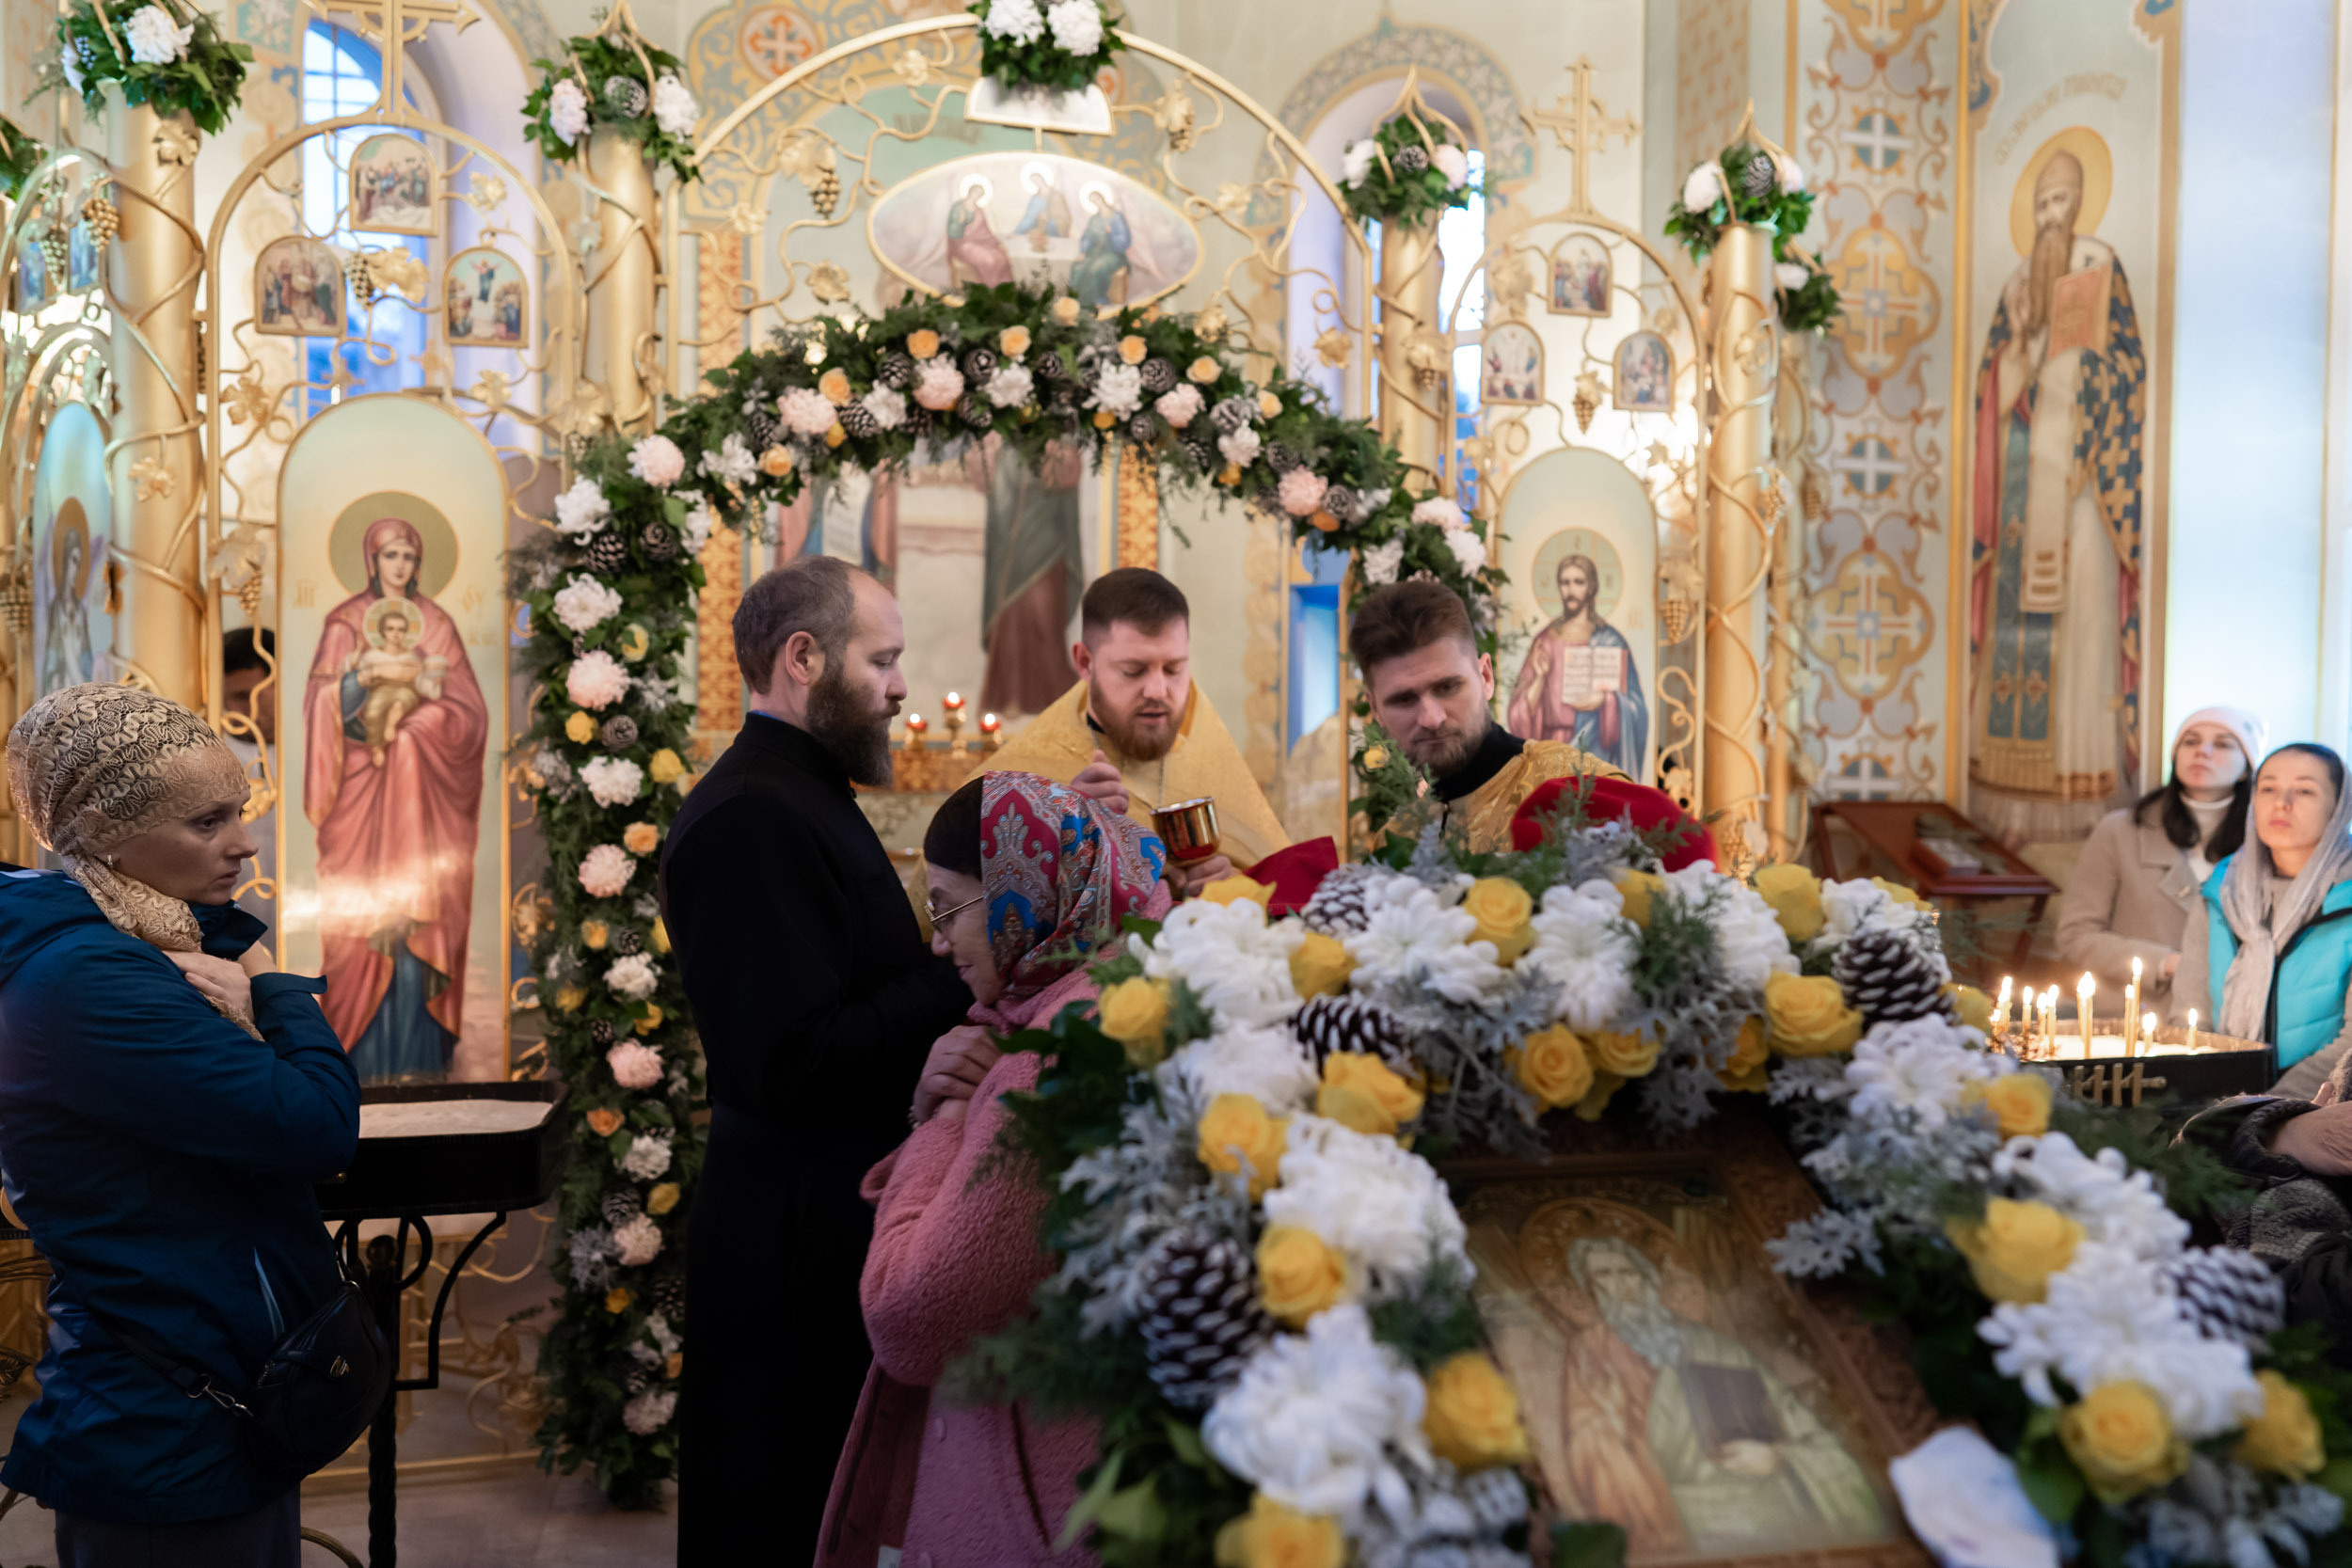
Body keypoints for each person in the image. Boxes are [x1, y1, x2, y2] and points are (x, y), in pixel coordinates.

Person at [660, 556, 975, 1566]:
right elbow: (792, 1060)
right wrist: (961, 967)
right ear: (803, 657)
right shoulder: (754, 812)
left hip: (818, 1214)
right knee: (778, 1512)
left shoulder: (798, 791)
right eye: (881, 658)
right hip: (789, 1241)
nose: (897, 685)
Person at [0, 684, 358, 1567]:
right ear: (109, 834)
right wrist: (273, 983)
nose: (244, 842)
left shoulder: (145, 941)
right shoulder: (93, 979)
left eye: (240, 811)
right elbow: (316, 1127)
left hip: (208, 1393)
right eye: (206, 822)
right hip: (167, 1425)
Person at [817, 771, 1169, 1568]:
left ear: (1023, 893)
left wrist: (940, 1118)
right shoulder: (1128, 981)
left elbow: (909, 1315)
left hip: (1040, 1491)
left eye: (949, 907)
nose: (939, 941)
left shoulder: (1046, 1057)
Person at [301, 515, 488, 1080]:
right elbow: (320, 706)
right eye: (390, 556)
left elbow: (469, 715)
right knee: (362, 933)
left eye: (409, 556)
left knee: (417, 929)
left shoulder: (437, 623)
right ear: (371, 561)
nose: (400, 567)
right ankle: (350, 1068)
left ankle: (423, 1065)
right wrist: (361, 683)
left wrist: (416, 729)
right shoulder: (344, 624)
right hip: (358, 799)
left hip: (425, 809)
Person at [985, 567, 1290, 884]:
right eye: (1133, 670)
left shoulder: (1210, 759)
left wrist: (1232, 886)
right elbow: (960, 904)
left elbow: (1276, 884)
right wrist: (1061, 831)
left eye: (1174, 669)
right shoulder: (1019, 773)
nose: (1158, 690)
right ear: (1085, 663)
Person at [1349, 579, 1622, 851]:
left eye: (1447, 687)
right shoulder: (1396, 840)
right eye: (1403, 700)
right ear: (1375, 709)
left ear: (1485, 677)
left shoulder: (1582, 793)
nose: (1432, 719)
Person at [2175, 743, 2352, 1096]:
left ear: (2338, 808)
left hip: (2319, 1105)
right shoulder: (2221, 890)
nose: (2281, 803)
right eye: (2268, 788)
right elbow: (2187, 1014)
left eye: (2304, 790)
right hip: (2211, 1098)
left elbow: (2350, 1047)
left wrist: (2263, 1113)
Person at [2058, 706, 2260, 1009]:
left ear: (2247, 768)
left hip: (2230, 1015)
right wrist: (2166, 962)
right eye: (2190, 742)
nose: (2202, 752)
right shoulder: (2120, 830)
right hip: (2133, 1015)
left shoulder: (2264, 841)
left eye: (2222, 744)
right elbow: (2076, 937)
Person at [220, 626, 281, 922]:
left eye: (251, 694)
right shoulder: (212, 756)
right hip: (237, 909)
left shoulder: (319, 751)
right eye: (235, 697)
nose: (242, 709)